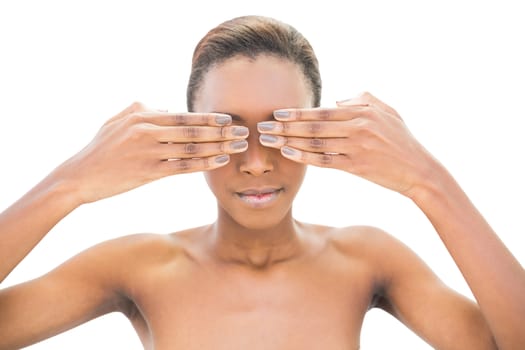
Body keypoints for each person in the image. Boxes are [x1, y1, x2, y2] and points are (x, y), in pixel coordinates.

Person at [0, 15, 523, 350]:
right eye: (227, 131)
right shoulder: (138, 266)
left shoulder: (368, 258)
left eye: (279, 129)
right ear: (188, 134)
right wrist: (67, 184)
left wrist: (429, 181)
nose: (254, 162)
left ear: (320, 130)